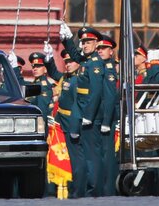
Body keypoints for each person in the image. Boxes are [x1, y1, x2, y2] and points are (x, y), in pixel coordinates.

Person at [74, 27, 105, 197]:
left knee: (93, 155)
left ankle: (95, 190)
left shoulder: (95, 63)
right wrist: (66, 40)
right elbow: (75, 56)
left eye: (88, 42)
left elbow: (96, 91)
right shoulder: (86, 61)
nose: (85, 45)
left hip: (90, 115)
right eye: (83, 42)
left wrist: (89, 115)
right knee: (87, 154)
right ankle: (90, 188)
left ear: (96, 43)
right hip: (84, 111)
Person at [55, 50, 86, 198]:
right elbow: (56, 76)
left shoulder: (77, 80)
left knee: (77, 159)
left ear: (78, 63)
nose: (68, 64)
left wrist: (74, 127)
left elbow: (76, 105)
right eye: (66, 62)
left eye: (71, 62)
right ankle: (76, 187)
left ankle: (79, 190)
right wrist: (49, 61)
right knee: (73, 159)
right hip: (65, 122)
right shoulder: (68, 78)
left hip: (72, 123)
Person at [96, 35, 120, 197]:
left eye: (104, 49)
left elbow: (110, 97)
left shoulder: (110, 68)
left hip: (107, 117)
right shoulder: (100, 66)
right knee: (100, 153)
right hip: (99, 115)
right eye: (99, 48)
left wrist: (106, 120)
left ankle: (109, 189)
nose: (100, 51)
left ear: (111, 51)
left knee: (108, 154)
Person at [29, 52, 57, 116]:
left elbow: (42, 110)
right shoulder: (34, 83)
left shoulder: (44, 87)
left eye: (38, 66)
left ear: (45, 69)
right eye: (33, 66)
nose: (35, 69)